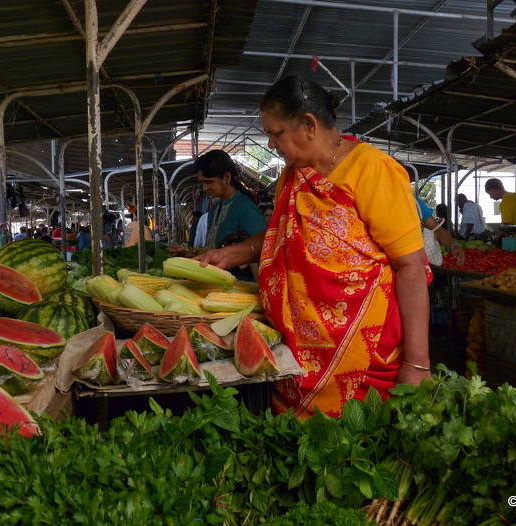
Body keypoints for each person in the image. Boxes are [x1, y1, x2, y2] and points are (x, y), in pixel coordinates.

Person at [196, 76, 430, 419]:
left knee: (361, 446)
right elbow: (283, 235)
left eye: (276, 134)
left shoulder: (373, 169)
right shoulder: (294, 175)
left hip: (363, 350)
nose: (273, 144)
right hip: (297, 351)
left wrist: (418, 363)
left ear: (308, 125)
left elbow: (411, 265)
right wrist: (231, 254)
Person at [417, 197, 465, 266]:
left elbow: (437, 230)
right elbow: (437, 230)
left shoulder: (414, 203)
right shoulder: (413, 202)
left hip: (413, 261)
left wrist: (454, 245)